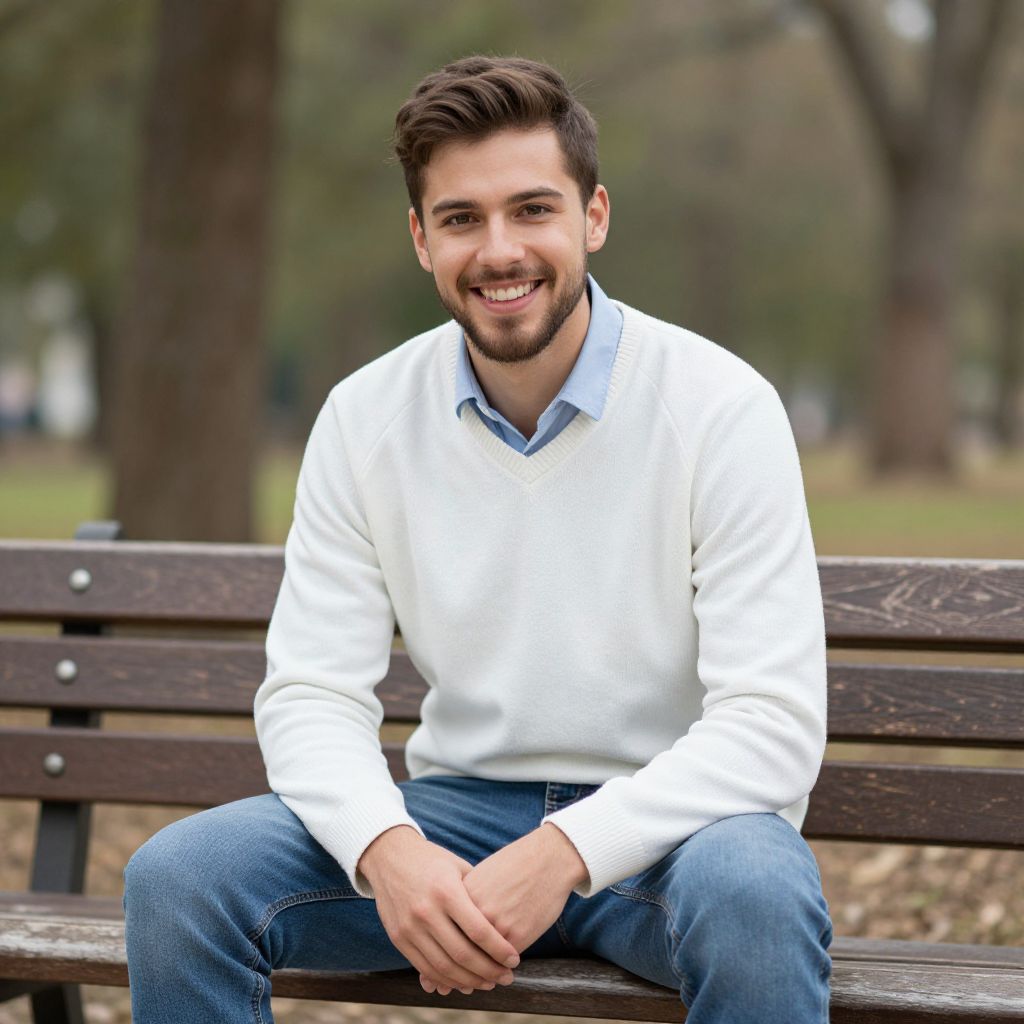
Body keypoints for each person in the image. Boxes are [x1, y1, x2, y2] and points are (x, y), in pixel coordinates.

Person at [123, 55, 834, 1024]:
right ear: (421, 238)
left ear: (593, 217)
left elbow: (770, 722)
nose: (499, 250)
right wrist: (387, 848)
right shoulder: (365, 414)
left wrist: (565, 853)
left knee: (756, 895)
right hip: (452, 817)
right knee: (183, 877)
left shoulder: (720, 406)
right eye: (462, 218)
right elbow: (311, 692)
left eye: (532, 209)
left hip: (679, 837)